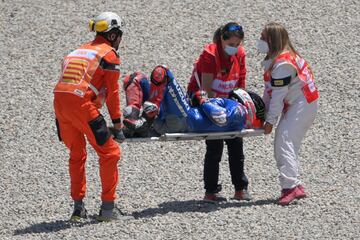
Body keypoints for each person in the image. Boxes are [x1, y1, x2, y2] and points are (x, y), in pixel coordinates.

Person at [53, 12, 131, 221]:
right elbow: (113, 93)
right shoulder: (109, 54)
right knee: (110, 153)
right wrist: (117, 125)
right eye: (120, 34)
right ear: (113, 35)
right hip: (81, 105)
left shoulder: (76, 52)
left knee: (77, 154)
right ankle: (108, 209)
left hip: (60, 105)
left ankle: (78, 209)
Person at [187, 22, 251, 202]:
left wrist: (240, 106)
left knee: (236, 145)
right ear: (222, 41)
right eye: (231, 45)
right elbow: (207, 90)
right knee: (214, 147)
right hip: (207, 101)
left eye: (237, 45)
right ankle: (211, 191)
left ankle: (240, 188)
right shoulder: (210, 55)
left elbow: (241, 82)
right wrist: (219, 114)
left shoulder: (239, 53)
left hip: (229, 101)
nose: (235, 48)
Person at [256, 22, 319, 206]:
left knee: (284, 141)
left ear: (272, 40)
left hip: (302, 104)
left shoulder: (283, 64)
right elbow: (269, 91)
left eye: (263, 38)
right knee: (286, 142)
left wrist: (269, 121)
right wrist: (261, 114)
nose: (259, 41)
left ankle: (290, 187)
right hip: (300, 102)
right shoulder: (280, 58)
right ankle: (295, 183)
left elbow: (277, 96)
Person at [122, 65, 265, 137]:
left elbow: (221, 117)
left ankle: (147, 119)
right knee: (135, 78)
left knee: (162, 71)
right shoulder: (238, 116)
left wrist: (203, 100)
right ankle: (133, 120)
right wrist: (197, 99)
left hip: (185, 119)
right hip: (180, 118)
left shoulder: (240, 109)